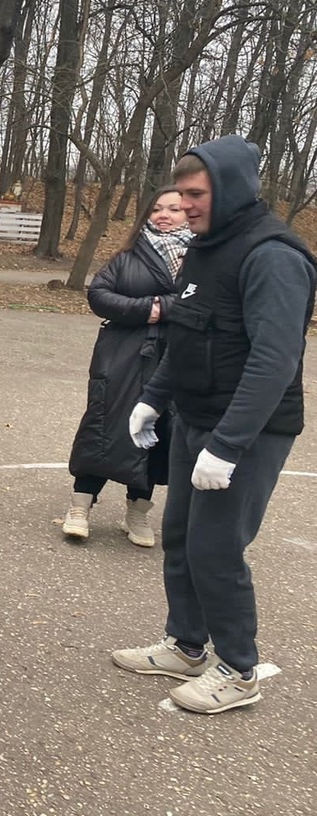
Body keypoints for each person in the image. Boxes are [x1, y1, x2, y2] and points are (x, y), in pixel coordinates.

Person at [113, 135, 316, 715]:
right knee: (179, 535)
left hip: (249, 432)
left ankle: (239, 669)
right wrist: (153, 397)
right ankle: (186, 645)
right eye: (181, 193)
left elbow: (275, 361)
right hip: (195, 419)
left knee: (217, 548)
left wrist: (228, 444)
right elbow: (189, 329)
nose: (186, 204)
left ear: (232, 189)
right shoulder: (204, 247)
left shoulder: (275, 256)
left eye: (196, 194)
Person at [64, 186, 191, 545]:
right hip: (122, 354)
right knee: (104, 426)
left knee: (159, 431)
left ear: (189, 214)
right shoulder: (129, 255)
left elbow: (201, 303)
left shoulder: (202, 259)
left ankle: (137, 513)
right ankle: (80, 507)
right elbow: (98, 294)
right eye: (157, 208)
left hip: (173, 357)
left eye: (174, 209)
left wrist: (162, 306)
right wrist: (146, 310)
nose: (164, 215)